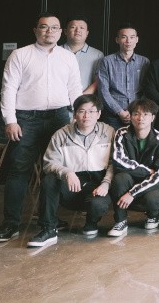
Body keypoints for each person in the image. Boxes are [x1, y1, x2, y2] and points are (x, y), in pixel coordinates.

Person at [0, 13, 82, 244]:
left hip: (59, 118)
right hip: (26, 119)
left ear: (61, 32)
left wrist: (78, 117)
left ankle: (48, 220)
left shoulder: (67, 57)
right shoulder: (20, 55)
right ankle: (11, 224)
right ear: (35, 30)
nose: (49, 31)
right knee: (18, 170)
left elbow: (75, 89)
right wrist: (10, 120)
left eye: (54, 27)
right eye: (44, 27)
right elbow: (8, 89)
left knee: (53, 172)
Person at [26, 95, 115, 247]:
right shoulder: (61, 134)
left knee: (98, 205)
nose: (86, 116)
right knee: (49, 180)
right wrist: (67, 172)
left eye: (91, 111)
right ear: (74, 114)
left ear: (99, 114)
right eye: (81, 111)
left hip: (97, 186)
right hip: (71, 187)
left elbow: (115, 162)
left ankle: (91, 223)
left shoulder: (109, 132)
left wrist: (106, 183)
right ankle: (49, 229)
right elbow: (49, 163)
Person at [108, 98, 159, 237]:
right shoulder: (121, 133)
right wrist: (147, 171)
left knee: (153, 198)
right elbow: (119, 162)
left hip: (152, 183)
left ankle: (154, 215)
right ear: (130, 116)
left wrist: (132, 193)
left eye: (145, 114)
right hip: (131, 178)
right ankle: (120, 221)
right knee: (120, 178)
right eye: (136, 114)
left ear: (153, 117)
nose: (140, 118)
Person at [97, 24, 149, 128]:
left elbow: (147, 89)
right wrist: (120, 112)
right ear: (117, 40)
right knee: (113, 138)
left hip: (139, 114)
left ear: (137, 39)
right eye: (124, 37)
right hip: (113, 114)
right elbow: (103, 91)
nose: (128, 41)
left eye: (132, 37)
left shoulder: (144, 62)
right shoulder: (106, 61)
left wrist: (137, 110)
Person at [63, 17, 103, 94]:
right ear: (65, 31)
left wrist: (81, 98)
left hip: (86, 99)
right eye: (73, 27)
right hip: (58, 99)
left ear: (87, 33)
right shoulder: (55, 52)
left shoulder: (97, 55)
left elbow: (97, 82)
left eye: (82, 28)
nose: (77, 30)